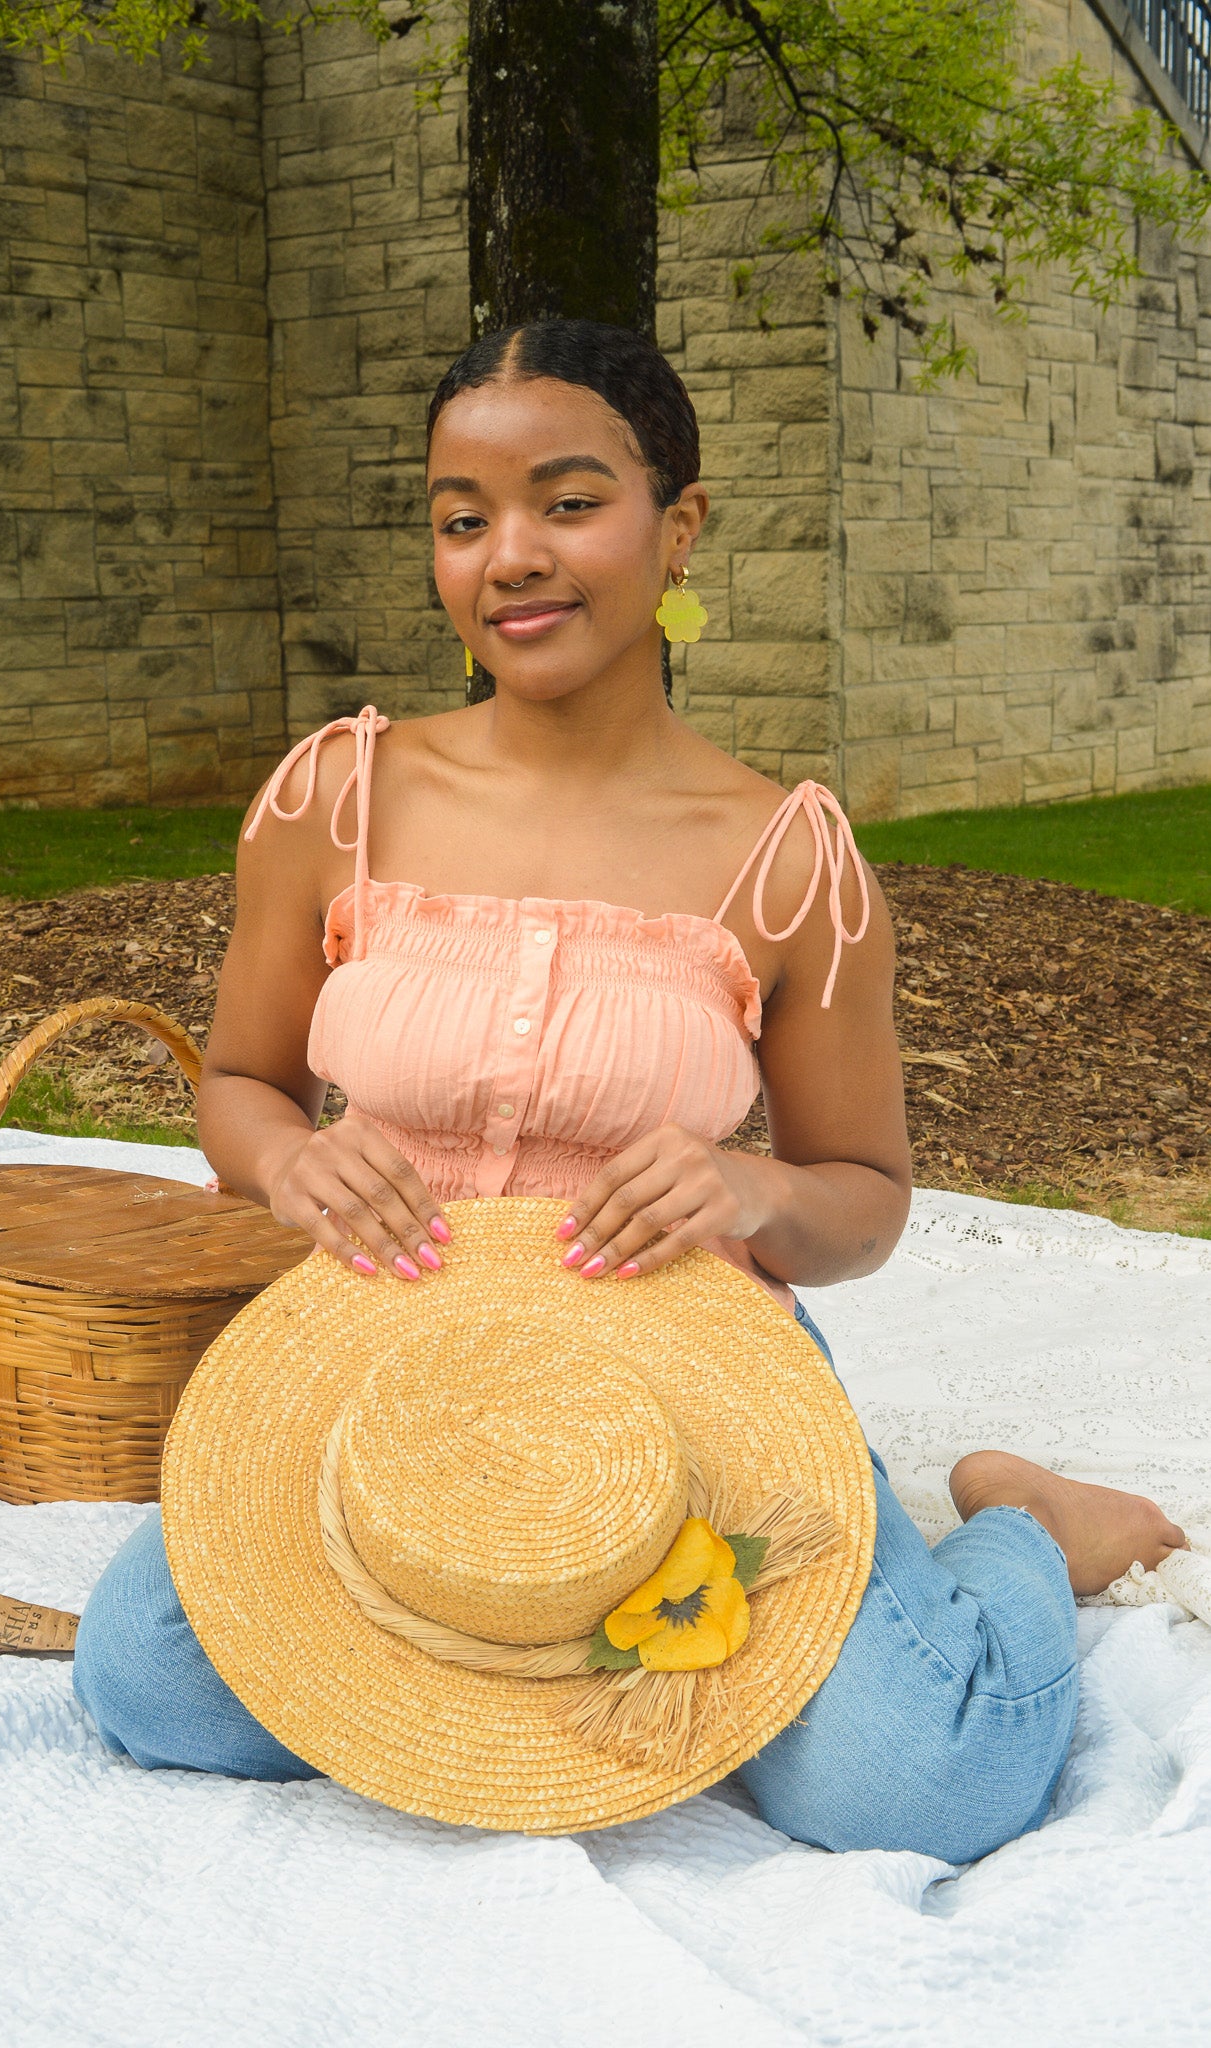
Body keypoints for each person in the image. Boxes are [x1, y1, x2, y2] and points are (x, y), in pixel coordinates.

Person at [75, 318, 1185, 1860]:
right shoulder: (337, 794)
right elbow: (247, 1083)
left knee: (920, 1786)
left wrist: (759, 1191)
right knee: (151, 1685)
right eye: (462, 520)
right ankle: (507, 1630)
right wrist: (284, 1164)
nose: (509, 555)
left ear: (682, 528)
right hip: (391, 1363)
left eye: (569, 501)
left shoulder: (790, 858)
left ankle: (1018, 1529)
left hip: (687, 1370)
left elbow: (861, 1199)